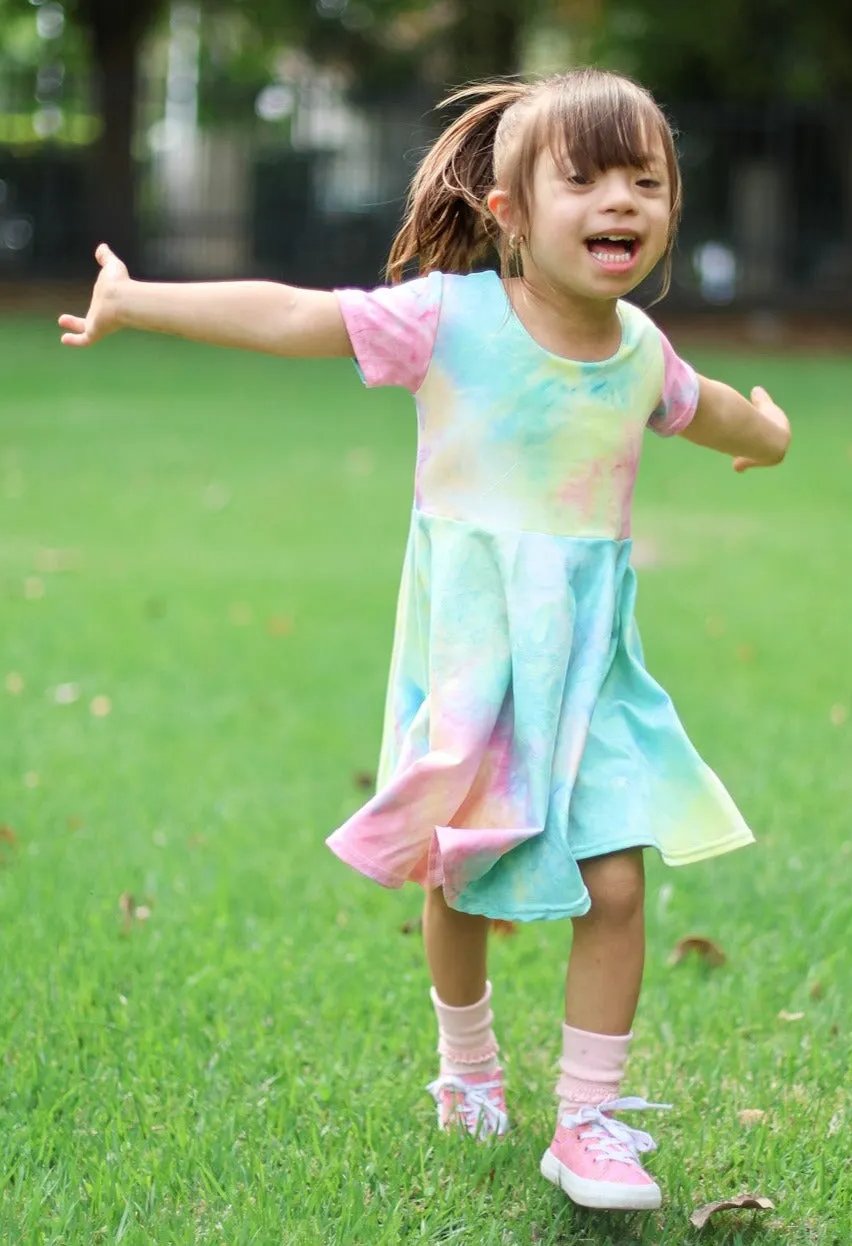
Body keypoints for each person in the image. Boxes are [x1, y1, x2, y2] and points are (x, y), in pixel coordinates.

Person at [59, 67, 790, 1213]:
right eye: (586, 178)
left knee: (617, 885)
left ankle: (588, 1121)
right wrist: (142, 299)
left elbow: (716, 410)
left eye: (645, 180)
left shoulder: (641, 349)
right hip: (476, 663)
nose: (622, 202)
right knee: (466, 879)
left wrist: (773, 432)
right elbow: (300, 312)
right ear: (508, 212)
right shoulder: (449, 321)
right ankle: (467, 1067)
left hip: (593, 672)